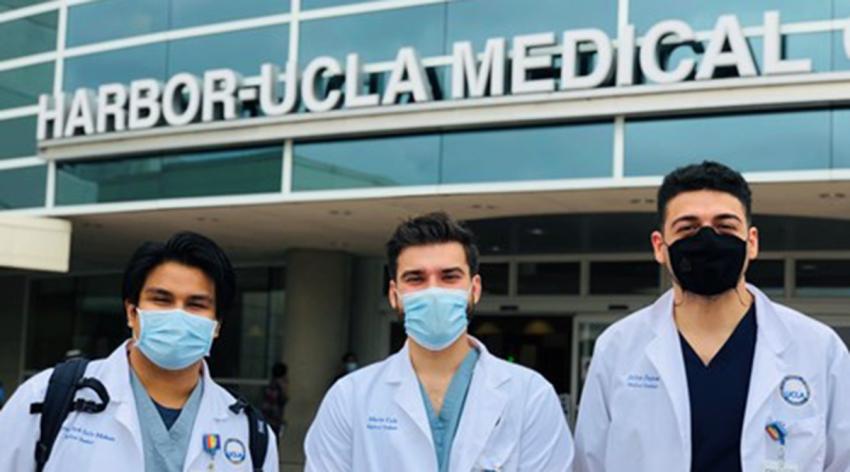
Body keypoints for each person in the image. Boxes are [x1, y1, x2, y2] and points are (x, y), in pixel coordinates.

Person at [574, 162, 850, 471]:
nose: (707, 239)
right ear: (659, 247)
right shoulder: (618, 347)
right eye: (688, 228)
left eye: (725, 226)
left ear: (753, 242)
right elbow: (590, 462)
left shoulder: (818, 347)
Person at [305, 212, 573, 471]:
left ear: (474, 289)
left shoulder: (531, 396)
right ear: (394, 294)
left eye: (449, 277)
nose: (433, 291)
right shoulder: (350, 397)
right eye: (416, 278)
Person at [0, 231, 279, 471]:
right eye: (162, 299)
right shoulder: (47, 398)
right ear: (132, 312)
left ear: (216, 325)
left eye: (195, 304)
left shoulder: (250, 434)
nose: (177, 315)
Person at [261, 362, 289, 436]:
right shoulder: (274, 388)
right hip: (271, 422)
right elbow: (273, 407)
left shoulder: (274, 387)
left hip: (273, 422)